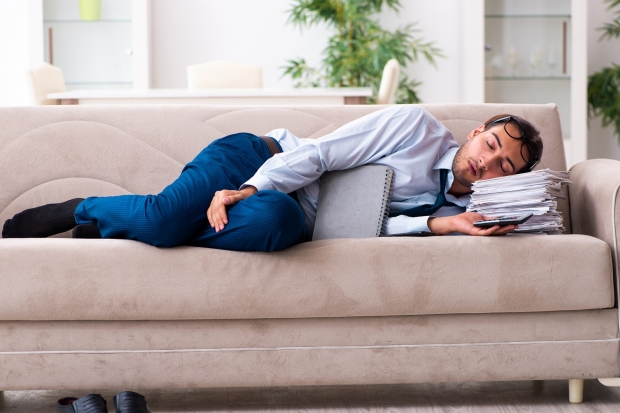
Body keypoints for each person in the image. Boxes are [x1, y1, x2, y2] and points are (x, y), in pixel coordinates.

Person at [2, 105, 542, 251]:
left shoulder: (453, 214)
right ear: (475, 132)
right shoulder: (416, 128)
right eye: (489, 146)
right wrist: (249, 187)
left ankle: (136, 224)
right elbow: (324, 154)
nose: (486, 164)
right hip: (256, 161)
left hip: (289, 217)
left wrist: (444, 228)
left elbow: (364, 232)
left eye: (504, 168)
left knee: (279, 226)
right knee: (166, 222)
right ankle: (83, 212)